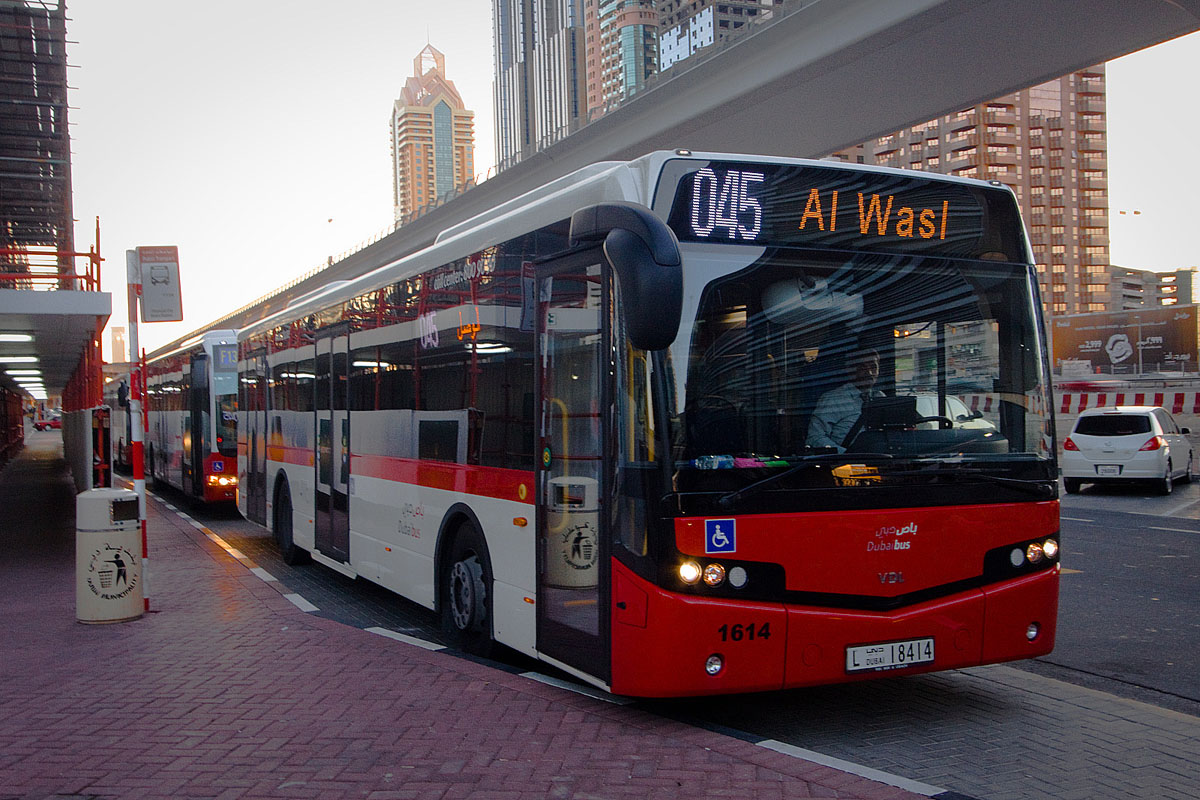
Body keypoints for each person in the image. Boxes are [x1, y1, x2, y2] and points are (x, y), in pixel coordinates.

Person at [807, 349, 881, 452]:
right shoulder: (834, 399)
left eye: (873, 367)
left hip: (880, 461)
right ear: (851, 370)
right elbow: (815, 438)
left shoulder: (881, 398)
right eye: (862, 368)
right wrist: (846, 456)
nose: (869, 373)